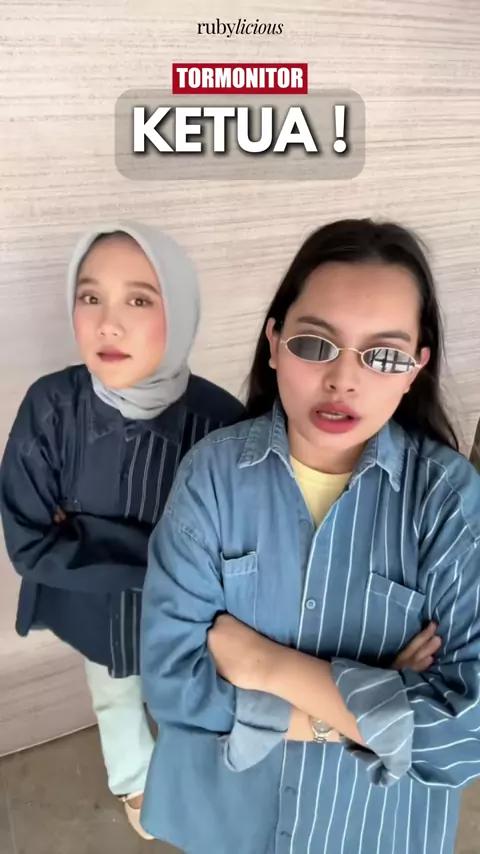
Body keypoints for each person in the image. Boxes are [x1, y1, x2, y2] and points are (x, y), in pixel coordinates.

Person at [139, 218, 480, 854]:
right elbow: (170, 682)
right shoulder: (212, 476)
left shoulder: (448, 501)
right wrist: (356, 716)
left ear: (415, 369)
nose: (344, 379)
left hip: (370, 829)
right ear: (274, 343)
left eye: (383, 355)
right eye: (316, 345)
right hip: (225, 820)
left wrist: (265, 665)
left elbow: (466, 734)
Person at [0, 223, 244, 839]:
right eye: (91, 297)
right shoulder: (52, 408)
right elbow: (29, 541)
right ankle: (135, 783)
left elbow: (239, 550)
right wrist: (168, 562)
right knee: (114, 696)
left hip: (193, 622)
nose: (108, 324)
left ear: (180, 308)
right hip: (96, 614)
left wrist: (87, 534)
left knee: (193, 699)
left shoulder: (221, 423)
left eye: (139, 299)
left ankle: (194, 782)